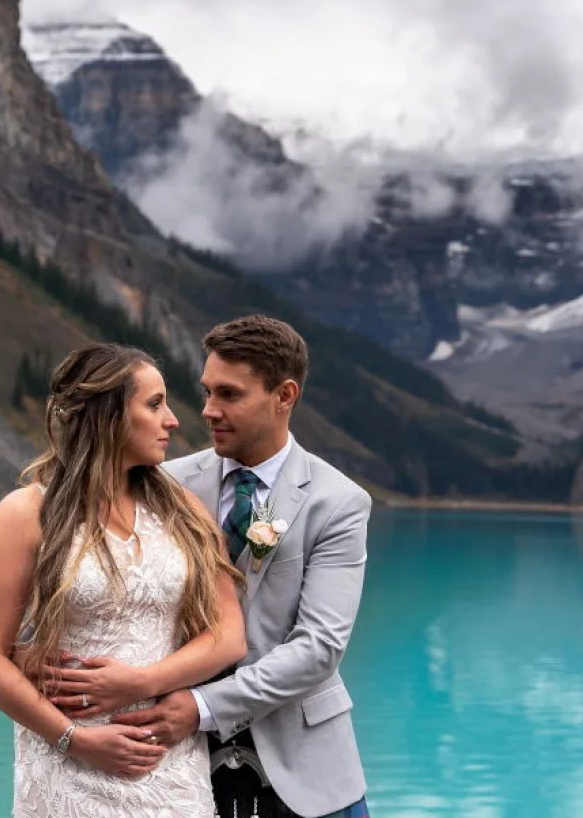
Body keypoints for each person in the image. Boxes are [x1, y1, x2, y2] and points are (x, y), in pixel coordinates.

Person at [0, 342, 247, 818]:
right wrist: (77, 741)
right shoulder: (26, 513)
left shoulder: (185, 511)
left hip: (165, 762)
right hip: (67, 764)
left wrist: (140, 682)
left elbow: (228, 636)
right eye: (154, 404)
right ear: (109, 416)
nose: (174, 420)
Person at [115, 315, 374, 818]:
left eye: (229, 395)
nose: (208, 410)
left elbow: (319, 647)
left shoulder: (339, 502)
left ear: (285, 395)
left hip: (307, 775)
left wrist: (202, 708)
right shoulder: (163, 483)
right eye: (207, 392)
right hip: (176, 770)